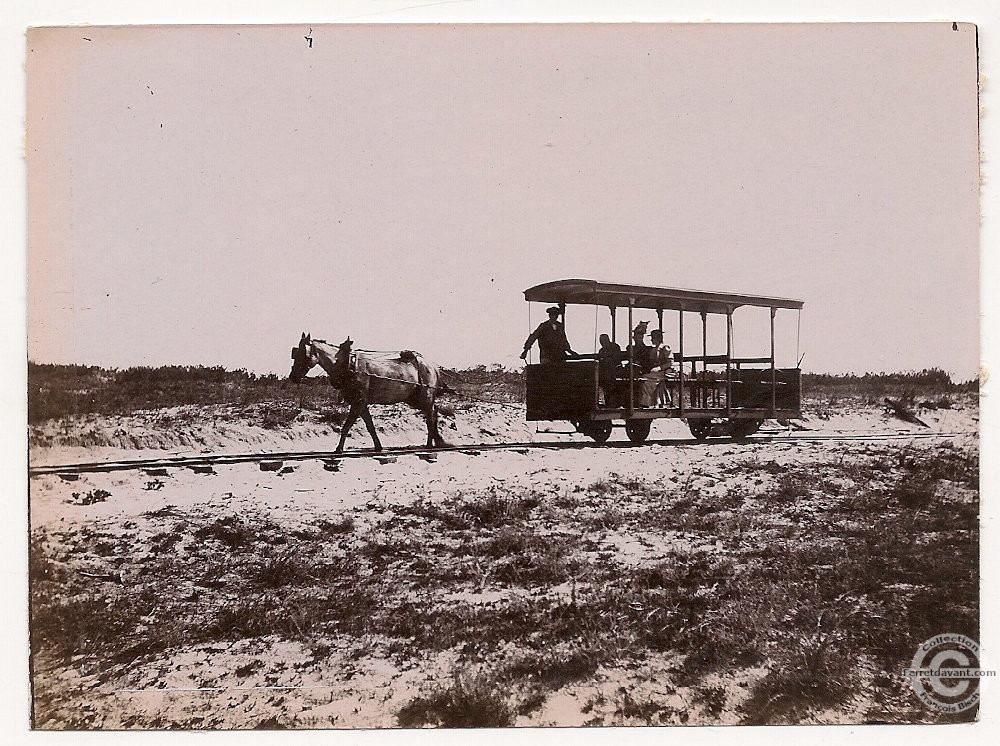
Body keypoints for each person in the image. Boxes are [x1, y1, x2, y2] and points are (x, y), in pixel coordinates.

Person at [641, 329, 676, 407]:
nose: (651, 340)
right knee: (645, 376)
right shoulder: (654, 348)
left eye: (653, 338)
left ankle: (646, 403)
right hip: (657, 372)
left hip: (666, 372)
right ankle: (652, 402)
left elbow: (670, 362)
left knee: (646, 379)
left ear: (658, 338)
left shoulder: (664, 347)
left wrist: (659, 368)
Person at [597, 333, 623, 406]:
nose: (603, 343)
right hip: (605, 371)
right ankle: (602, 400)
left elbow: (616, 360)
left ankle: (608, 401)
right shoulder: (601, 350)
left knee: (607, 379)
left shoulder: (615, 347)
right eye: (601, 341)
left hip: (615, 369)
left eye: (604, 340)